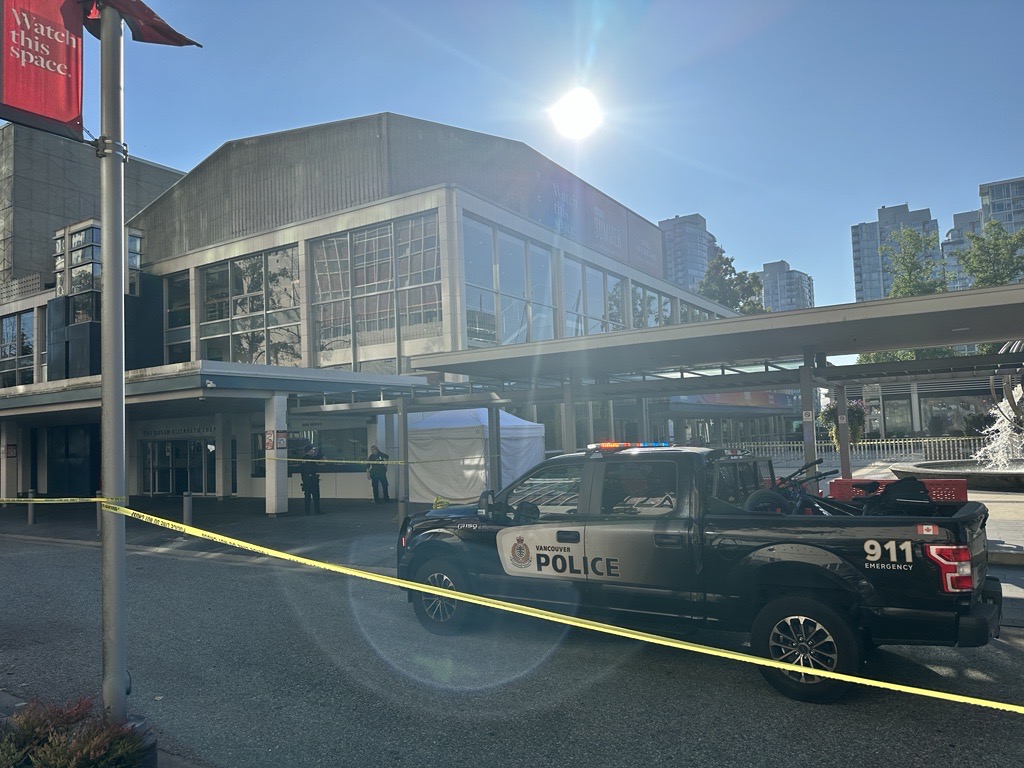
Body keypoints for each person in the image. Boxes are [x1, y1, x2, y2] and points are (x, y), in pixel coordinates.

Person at [300, 444, 323, 515]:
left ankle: (307, 511)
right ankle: (317, 510)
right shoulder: (309, 458)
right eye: (313, 450)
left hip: (306, 479)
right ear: (309, 451)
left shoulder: (303, 459)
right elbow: (318, 457)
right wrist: (319, 453)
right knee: (315, 495)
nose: (314, 451)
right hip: (312, 479)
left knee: (307, 495)